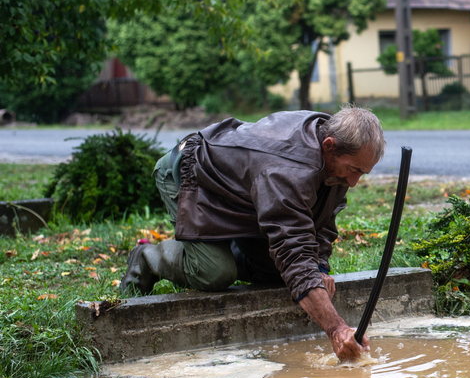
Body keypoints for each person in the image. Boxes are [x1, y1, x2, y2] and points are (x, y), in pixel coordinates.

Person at [120, 106, 386, 361]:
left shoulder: (334, 160)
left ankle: (224, 248)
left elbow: (323, 219)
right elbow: (293, 252)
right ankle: (146, 257)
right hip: (193, 175)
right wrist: (337, 329)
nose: (353, 182)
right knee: (214, 272)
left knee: (281, 274)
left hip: (244, 196)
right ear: (329, 145)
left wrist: (318, 267)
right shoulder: (286, 168)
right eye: (353, 170)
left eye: (361, 173)